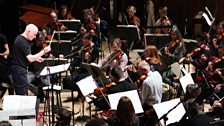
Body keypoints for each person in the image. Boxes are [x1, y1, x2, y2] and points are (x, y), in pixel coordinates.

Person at [10, 24, 51, 95]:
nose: (35, 37)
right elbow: (30, 58)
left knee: (23, 93)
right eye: (34, 34)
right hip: (19, 71)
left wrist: (36, 58)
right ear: (28, 31)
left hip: (19, 70)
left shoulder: (21, 39)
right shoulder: (22, 41)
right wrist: (44, 51)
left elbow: (25, 57)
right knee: (22, 95)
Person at [62, 33, 99, 99]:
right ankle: (80, 92)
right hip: (81, 69)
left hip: (89, 70)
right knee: (68, 79)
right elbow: (78, 58)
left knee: (79, 79)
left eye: (85, 41)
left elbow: (91, 63)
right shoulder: (83, 48)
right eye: (83, 41)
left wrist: (87, 58)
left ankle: (82, 94)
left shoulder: (95, 49)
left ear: (90, 40)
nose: (84, 43)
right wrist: (71, 64)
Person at [137, 60, 163, 126]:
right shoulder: (157, 73)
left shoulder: (146, 82)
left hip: (149, 107)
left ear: (145, 70)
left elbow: (142, 100)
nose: (138, 72)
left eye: (139, 70)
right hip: (159, 102)